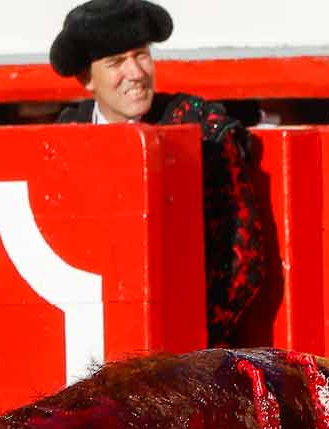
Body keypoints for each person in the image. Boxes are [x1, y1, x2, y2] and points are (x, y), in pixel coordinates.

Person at [50, 0, 266, 345]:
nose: (135, 73)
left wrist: (193, 338)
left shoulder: (201, 126)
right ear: (86, 78)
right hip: (92, 331)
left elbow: (243, 257)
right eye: (116, 62)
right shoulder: (66, 132)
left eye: (141, 55)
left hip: (184, 344)